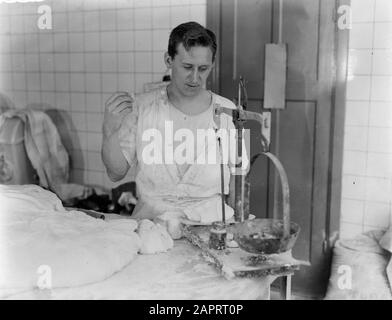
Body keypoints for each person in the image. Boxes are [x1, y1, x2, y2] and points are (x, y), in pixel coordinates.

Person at [102, 21, 247, 224]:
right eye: (187, 67)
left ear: (212, 65)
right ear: (169, 60)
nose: (195, 78)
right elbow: (115, 173)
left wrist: (235, 229)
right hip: (152, 227)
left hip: (212, 228)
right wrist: (110, 129)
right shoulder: (142, 107)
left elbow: (239, 178)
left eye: (203, 69)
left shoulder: (228, 110)